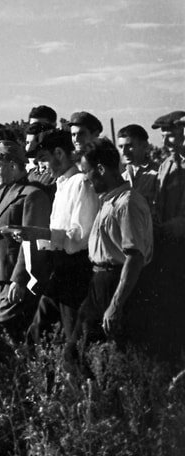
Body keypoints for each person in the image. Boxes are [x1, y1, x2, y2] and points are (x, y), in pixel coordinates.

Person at [66, 139, 153, 372]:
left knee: (107, 359)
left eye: (87, 172)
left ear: (101, 169)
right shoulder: (108, 201)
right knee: (77, 353)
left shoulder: (127, 203)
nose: (85, 179)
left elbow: (134, 257)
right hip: (99, 283)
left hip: (116, 283)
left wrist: (115, 305)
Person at [0, 140, 52, 385]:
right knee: (11, 337)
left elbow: (29, 242)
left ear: (12, 165)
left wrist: (20, 279)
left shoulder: (33, 195)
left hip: (15, 279)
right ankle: (14, 388)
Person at [14, 129, 101, 345]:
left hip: (77, 270)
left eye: (43, 159)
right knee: (37, 333)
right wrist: (33, 237)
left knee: (74, 338)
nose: (40, 167)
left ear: (60, 154)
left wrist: (39, 233)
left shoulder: (80, 183)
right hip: (59, 269)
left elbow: (80, 235)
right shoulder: (61, 185)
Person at [151, 110, 185, 360]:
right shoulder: (165, 166)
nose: (165, 143)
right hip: (168, 251)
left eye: (171, 136)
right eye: (164, 137)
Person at [117, 124, 159, 214]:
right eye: (121, 147)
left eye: (129, 146)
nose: (124, 152)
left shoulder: (158, 174)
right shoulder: (122, 177)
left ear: (145, 145)